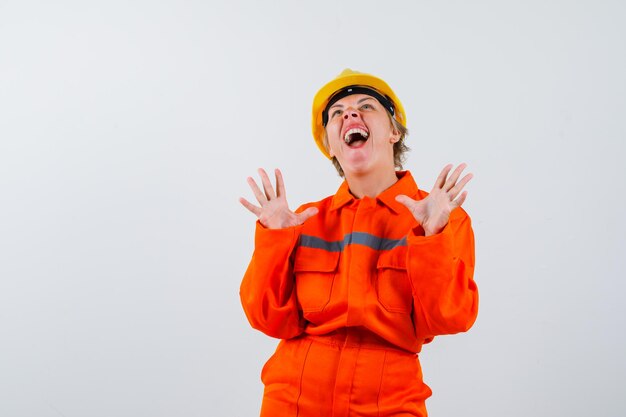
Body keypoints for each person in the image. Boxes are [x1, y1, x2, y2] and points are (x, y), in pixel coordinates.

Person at [239, 69, 478, 417]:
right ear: (331, 146)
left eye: (366, 106)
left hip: (390, 401)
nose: (350, 114)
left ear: (394, 131)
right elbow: (268, 319)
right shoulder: (305, 220)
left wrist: (432, 239)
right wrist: (275, 240)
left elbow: (447, 318)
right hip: (293, 399)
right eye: (337, 113)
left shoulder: (441, 218)